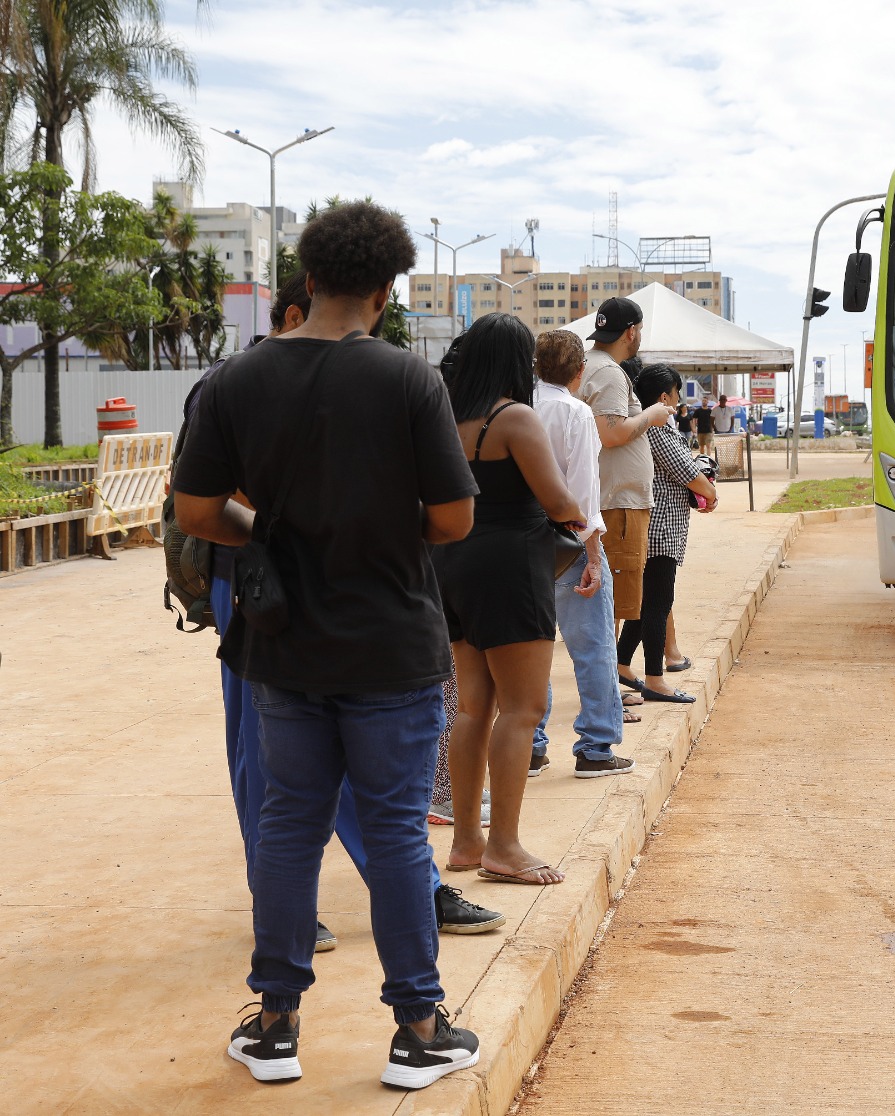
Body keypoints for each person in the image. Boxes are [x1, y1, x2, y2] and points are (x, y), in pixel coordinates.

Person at [175, 201, 482, 1088]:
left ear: (306, 280)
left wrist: (268, 528)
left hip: (283, 643)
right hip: (391, 642)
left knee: (287, 825)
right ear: (386, 292)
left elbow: (198, 513)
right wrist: (377, 534)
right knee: (392, 832)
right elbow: (454, 518)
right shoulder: (407, 381)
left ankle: (274, 1028)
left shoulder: (237, 381)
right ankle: (419, 1031)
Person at [429, 313, 584, 885]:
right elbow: (559, 500)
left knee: (473, 707)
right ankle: (506, 846)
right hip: (511, 568)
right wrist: (577, 516)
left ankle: (467, 841)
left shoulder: (449, 416)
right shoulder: (513, 417)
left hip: (455, 564)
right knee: (524, 709)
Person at [529, 328, 636, 778]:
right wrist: (594, 556)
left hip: (522, 546)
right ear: (578, 371)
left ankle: (531, 746)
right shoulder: (575, 413)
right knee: (592, 648)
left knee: (532, 650)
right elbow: (583, 496)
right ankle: (595, 747)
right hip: (569, 545)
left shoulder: (515, 409)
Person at [575, 296, 672, 689]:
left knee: (612, 604)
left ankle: (608, 691)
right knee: (611, 607)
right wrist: (651, 414)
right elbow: (611, 433)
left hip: (612, 499)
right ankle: (606, 694)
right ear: (632, 331)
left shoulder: (591, 366)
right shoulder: (611, 373)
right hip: (617, 503)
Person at [617, 363, 718, 704]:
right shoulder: (658, 430)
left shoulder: (647, 426)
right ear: (664, 396)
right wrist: (711, 492)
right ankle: (656, 679)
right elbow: (687, 471)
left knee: (644, 604)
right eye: (675, 394)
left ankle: (620, 663)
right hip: (661, 530)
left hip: (656, 526)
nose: (677, 400)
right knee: (658, 604)